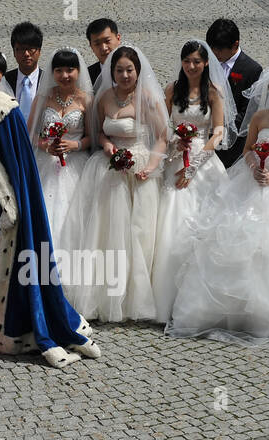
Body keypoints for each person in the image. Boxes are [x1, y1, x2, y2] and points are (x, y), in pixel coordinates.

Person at [0, 55, 100, 367]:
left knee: (9, 263)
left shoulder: (5, 110)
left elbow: (19, 163)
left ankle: (17, 328)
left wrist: (15, 202)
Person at [166, 66, 269, 344]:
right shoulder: (260, 117)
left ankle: (260, 317)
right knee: (232, 240)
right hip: (250, 183)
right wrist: (253, 166)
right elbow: (247, 149)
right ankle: (222, 310)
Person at [60, 43, 169, 323]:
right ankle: (105, 293)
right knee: (107, 230)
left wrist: (150, 166)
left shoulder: (147, 98)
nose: (125, 75)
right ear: (112, 72)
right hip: (109, 167)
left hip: (139, 166)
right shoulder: (105, 97)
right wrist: (107, 145)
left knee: (137, 231)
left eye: (129, 70)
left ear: (138, 71)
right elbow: (100, 133)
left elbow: (162, 136)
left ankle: (135, 297)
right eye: (119, 70)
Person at [152, 40, 234, 324]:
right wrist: (176, 140)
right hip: (177, 155)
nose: (191, 66)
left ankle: (200, 298)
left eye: (197, 61)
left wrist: (194, 166)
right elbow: (162, 127)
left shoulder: (214, 92)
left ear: (206, 63)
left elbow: (218, 131)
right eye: (187, 61)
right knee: (170, 219)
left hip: (203, 158)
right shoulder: (171, 90)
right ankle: (166, 296)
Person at [27, 47, 92, 248]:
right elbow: (30, 133)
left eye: (70, 70)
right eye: (59, 70)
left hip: (76, 163)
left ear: (78, 71)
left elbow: (92, 137)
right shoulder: (43, 97)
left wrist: (76, 144)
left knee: (74, 214)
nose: (64, 75)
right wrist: (45, 146)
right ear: (52, 72)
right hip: (45, 162)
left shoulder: (85, 99)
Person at [206, 18, 261, 168]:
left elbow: (248, 111)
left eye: (219, 50)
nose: (214, 53)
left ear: (235, 44)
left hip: (233, 145)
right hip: (204, 137)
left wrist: (223, 129)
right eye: (212, 49)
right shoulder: (204, 63)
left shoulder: (252, 69)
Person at [6, 22, 43, 120]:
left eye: (31, 49)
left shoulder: (48, 80)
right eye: (21, 49)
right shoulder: (5, 80)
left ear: (39, 51)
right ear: (14, 52)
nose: (26, 54)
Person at [84, 18, 121, 85]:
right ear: (91, 46)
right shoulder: (87, 76)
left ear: (118, 38)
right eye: (97, 44)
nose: (104, 48)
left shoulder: (135, 69)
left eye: (107, 41)